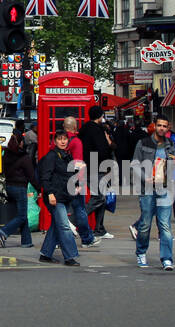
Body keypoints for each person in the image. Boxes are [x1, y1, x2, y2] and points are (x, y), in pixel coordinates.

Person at [132, 116, 175, 271]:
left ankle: (166, 259)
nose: (162, 128)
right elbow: (135, 164)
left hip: (164, 188)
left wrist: (174, 162)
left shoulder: (170, 144)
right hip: (147, 189)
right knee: (145, 224)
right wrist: (146, 178)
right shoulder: (143, 143)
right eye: (159, 125)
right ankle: (141, 252)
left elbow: (171, 165)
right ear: (154, 126)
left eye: (165, 126)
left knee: (165, 225)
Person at [35, 129, 81, 267]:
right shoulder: (51, 157)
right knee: (64, 226)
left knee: (56, 226)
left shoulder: (67, 156)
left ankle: (46, 254)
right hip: (55, 197)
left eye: (65, 139)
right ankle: (70, 256)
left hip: (64, 195)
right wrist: (49, 193)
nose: (62, 141)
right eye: (59, 139)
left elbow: (71, 173)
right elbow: (45, 177)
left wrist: (77, 185)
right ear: (55, 141)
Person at [0, 122, 34, 249]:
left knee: (22, 215)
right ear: (21, 143)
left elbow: (1, 170)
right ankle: (4, 232)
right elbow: (31, 175)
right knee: (22, 216)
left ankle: (26, 241)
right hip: (20, 188)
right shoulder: (24, 157)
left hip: (9, 187)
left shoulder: (6, 154)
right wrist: (40, 188)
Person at [79, 106, 115, 237]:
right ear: (99, 116)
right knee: (99, 197)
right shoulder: (98, 130)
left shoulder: (84, 129)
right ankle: (77, 220)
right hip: (96, 167)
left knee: (102, 199)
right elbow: (103, 149)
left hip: (88, 166)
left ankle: (99, 228)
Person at [60, 117, 96, 247]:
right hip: (74, 180)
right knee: (80, 209)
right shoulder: (76, 142)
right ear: (75, 127)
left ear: (64, 126)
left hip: (60, 179)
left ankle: (59, 239)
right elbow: (78, 163)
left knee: (60, 209)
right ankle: (87, 239)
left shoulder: (58, 141)